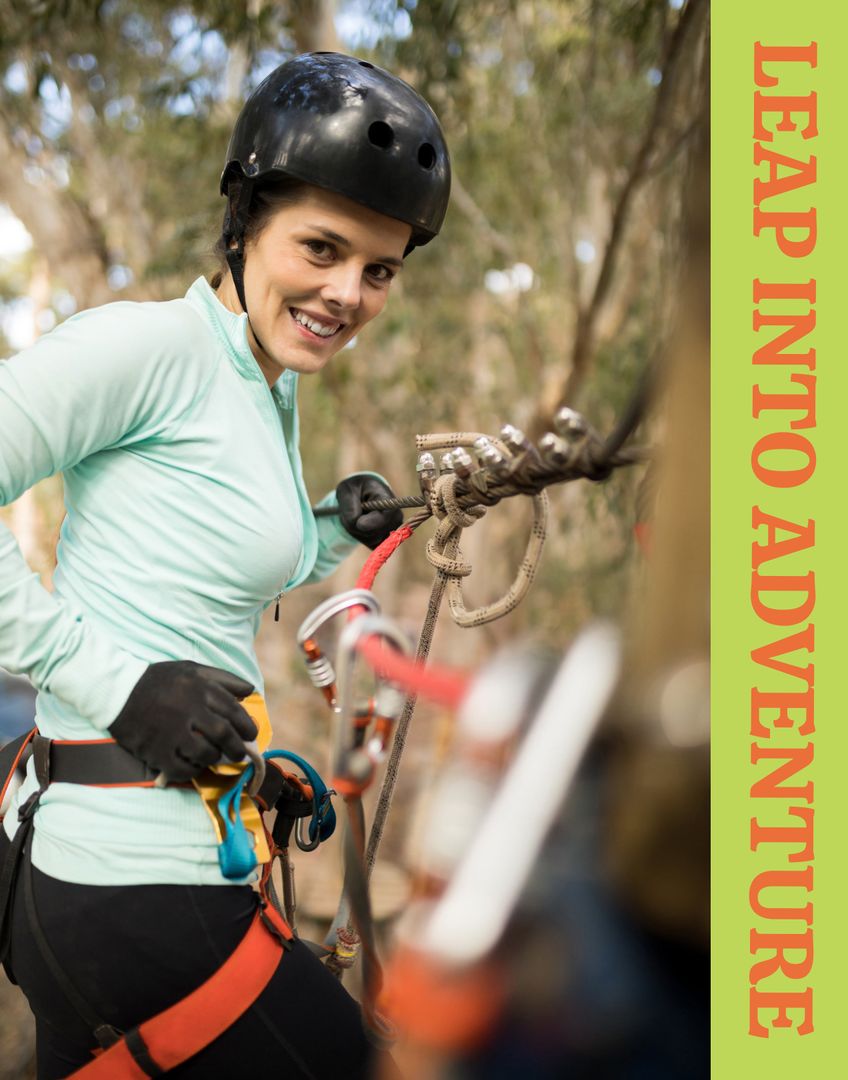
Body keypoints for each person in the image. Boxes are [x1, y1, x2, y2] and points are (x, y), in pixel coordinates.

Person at [0, 51, 450, 1077]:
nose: (349, 293)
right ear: (243, 220)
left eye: (379, 269)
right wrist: (120, 689)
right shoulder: (149, 349)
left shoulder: (259, 382)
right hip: (123, 882)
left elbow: (194, 568)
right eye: (322, 249)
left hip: (166, 859)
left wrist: (332, 526)